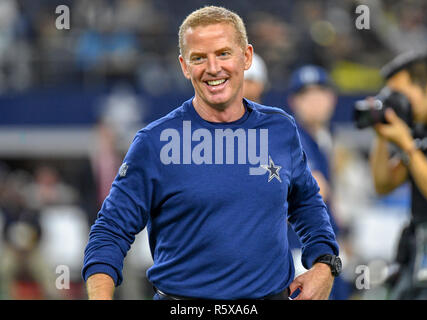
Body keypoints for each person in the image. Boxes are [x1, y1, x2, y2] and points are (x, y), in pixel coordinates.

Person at [82, 6, 341, 300]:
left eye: (223, 53)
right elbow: (110, 231)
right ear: (184, 65)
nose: (213, 68)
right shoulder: (154, 142)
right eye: (199, 58)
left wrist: (324, 263)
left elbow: (306, 202)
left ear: (246, 57)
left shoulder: (281, 129)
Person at [286, 65, 351, 299]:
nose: (314, 100)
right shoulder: (293, 135)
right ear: (294, 101)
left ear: (332, 98)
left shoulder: (322, 137)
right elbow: (317, 189)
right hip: (301, 253)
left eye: (320, 92)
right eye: (305, 94)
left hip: (321, 252)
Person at [369, 50, 427, 299]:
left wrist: (407, 145)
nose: (397, 102)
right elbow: (383, 184)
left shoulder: (412, 140)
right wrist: (382, 136)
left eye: (401, 94)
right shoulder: (419, 132)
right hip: (417, 248)